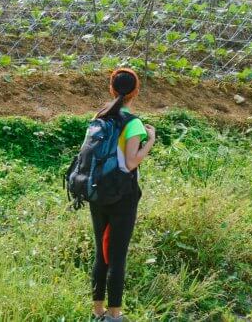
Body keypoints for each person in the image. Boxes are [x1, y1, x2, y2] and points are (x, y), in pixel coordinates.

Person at [90, 68, 156, 322]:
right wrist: (149, 141)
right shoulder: (134, 123)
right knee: (117, 255)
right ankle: (115, 315)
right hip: (122, 196)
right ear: (136, 91)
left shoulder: (101, 116)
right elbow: (130, 163)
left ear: (111, 88)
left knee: (101, 251)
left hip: (97, 192)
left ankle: (97, 311)